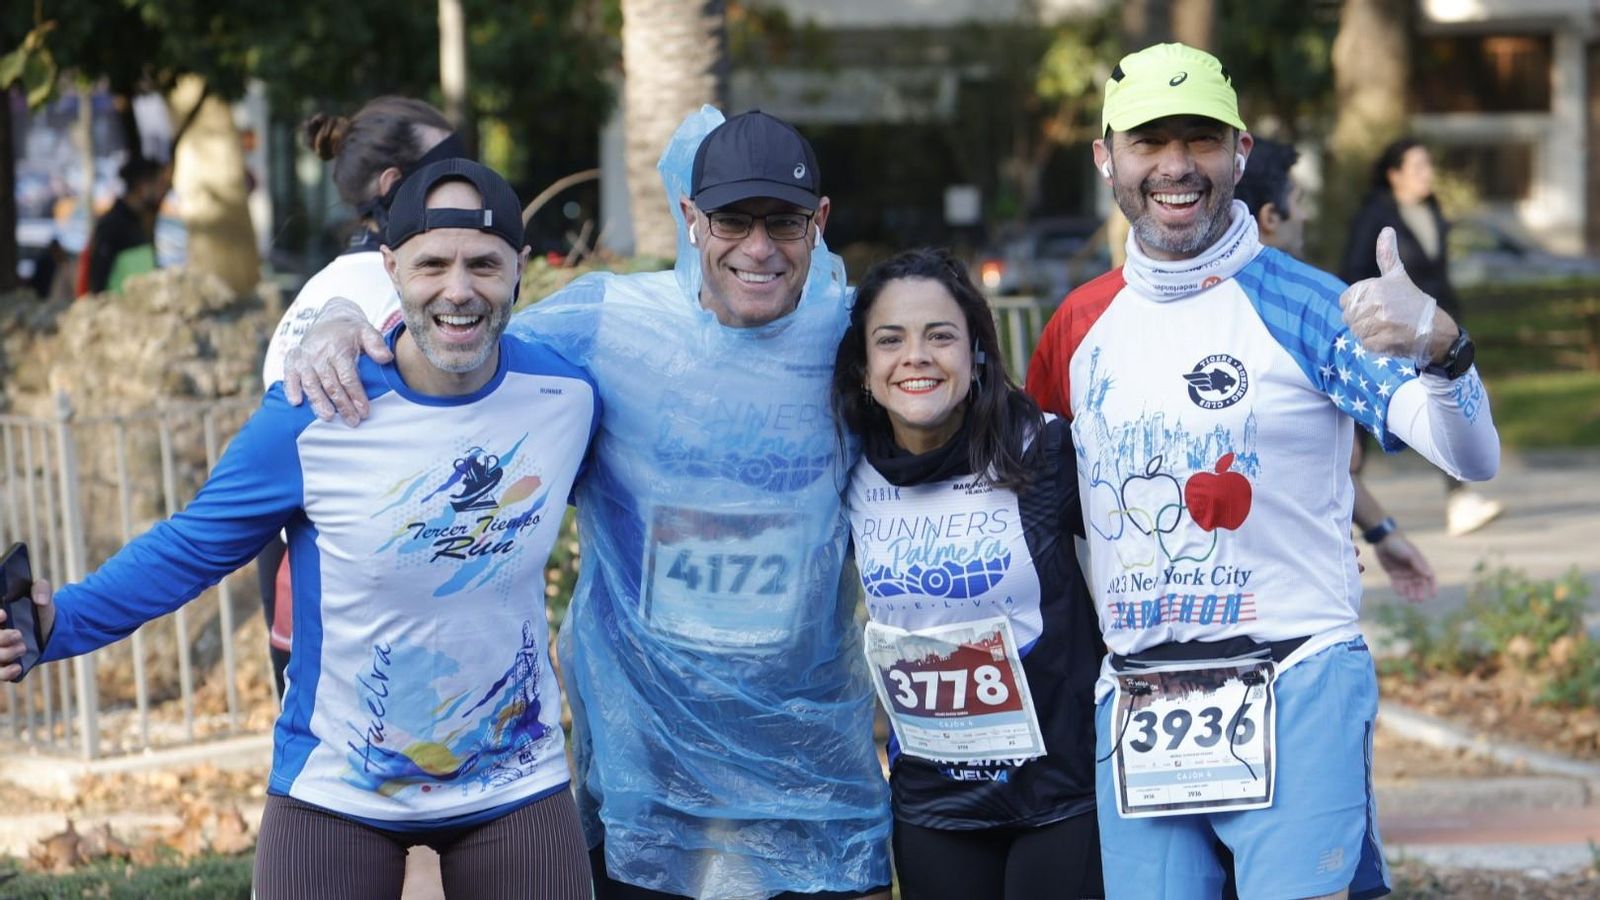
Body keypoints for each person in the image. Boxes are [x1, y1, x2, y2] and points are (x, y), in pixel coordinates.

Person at [283, 109, 892, 900]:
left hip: (811, 772)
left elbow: (952, 378)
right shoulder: (611, 325)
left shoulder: (852, 333)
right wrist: (348, 319)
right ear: (691, 219)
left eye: (783, 222)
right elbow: (466, 343)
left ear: (819, 224)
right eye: (734, 221)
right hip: (651, 775)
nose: (758, 247)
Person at [1, 159, 598, 900]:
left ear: (517, 270)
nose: (458, 288)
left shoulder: (566, 398)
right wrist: (62, 622)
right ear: (390, 267)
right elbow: (194, 545)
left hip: (515, 780)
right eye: (431, 264)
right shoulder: (317, 411)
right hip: (338, 787)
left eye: (483, 263)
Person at [1025, 43, 1500, 900]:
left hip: (1294, 679)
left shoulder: (1311, 303)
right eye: (1149, 142)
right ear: (1106, 159)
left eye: (1202, 140)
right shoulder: (1076, 324)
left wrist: (1443, 344)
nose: (1176, 166)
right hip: (1139, 702)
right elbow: (1042, 504)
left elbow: (1471, 455)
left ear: (1241, 153)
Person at [831, 248, 1104, 899]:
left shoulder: (1042, 447)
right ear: (865, 367)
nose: (916, 356)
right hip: (933, 804)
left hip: (1060, 798)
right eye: (890, 340)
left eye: (941, 336)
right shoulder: (846, 470)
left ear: (977, 351)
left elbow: (1148, 540)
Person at [255, 96, 469, 696]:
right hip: (367, 610)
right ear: (396, 185)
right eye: (448, 169)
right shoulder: (404, 300)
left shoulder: (317, 290)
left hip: (297, 587)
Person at [1236, 138, 1436, 603]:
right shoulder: (1300, 315)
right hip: (1282, 601)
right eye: (1299, 201)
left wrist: (1382, 531)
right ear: (1270, 217)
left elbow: (1340, 466)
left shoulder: (1305, 305)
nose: (1305, 216)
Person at [1341, 138, 1504, 538]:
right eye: (1417, 167)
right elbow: (1353, 273)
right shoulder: (1376, 217)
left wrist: (1452, 330)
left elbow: (1438, 278)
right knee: (1364, 419)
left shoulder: (1431, 211)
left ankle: (1459, 497)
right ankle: (1346, 493)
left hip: (1433, 332)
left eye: (1429, 165)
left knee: (1441, 406)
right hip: (1387, 336)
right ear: (1394, 174)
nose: (1427, 174)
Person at [79, 157, 169, 296]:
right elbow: (96, 285)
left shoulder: (140, 222)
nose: (163, 190)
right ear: (142, 186)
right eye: (159, 183)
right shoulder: (112, 225)